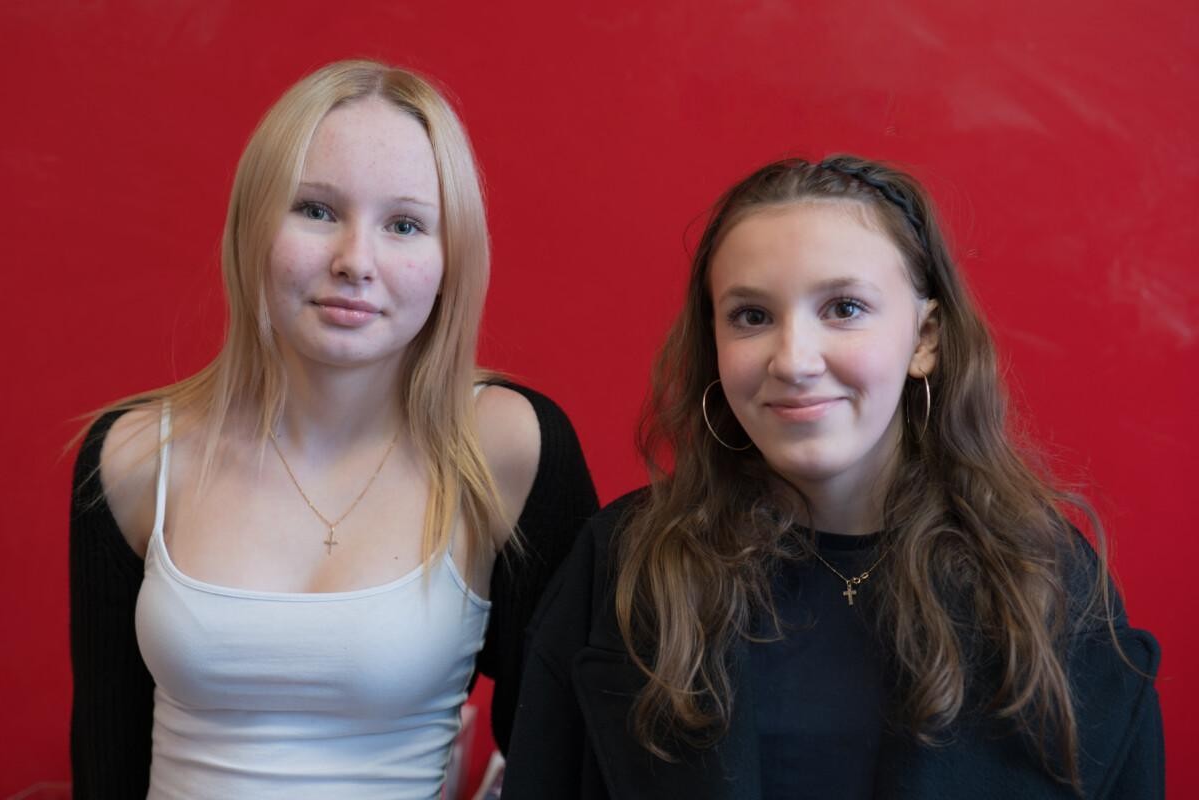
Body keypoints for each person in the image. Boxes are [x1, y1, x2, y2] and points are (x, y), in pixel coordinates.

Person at [503, 156, 1163, 799]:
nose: (793, 359)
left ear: (925, 338)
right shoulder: (622, 566)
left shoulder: (1044, 578)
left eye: (844, 308)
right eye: (751, 316)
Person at [68, 60, 597, 799]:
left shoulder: (508, 448)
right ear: (255, 225)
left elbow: (562, 756)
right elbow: (105, 754)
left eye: (405, 224)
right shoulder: (131, 457)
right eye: (316, 210)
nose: (355, 261)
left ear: (451, 261)